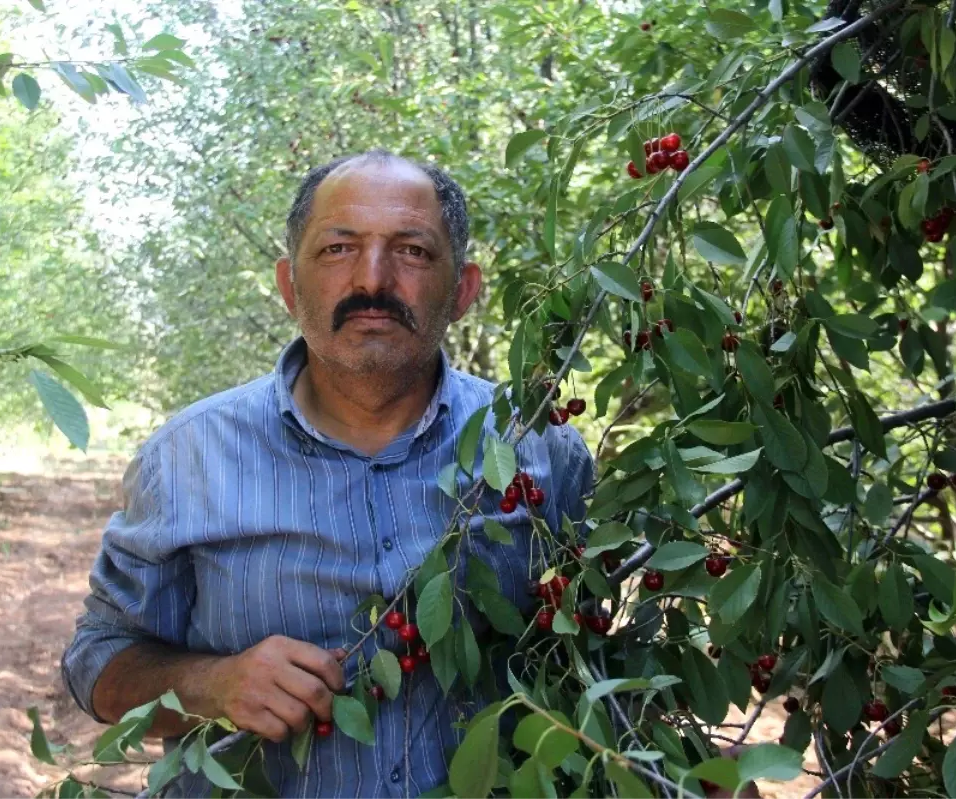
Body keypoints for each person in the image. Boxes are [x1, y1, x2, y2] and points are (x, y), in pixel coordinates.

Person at [61, 150, 595, 797]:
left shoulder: (541, 453)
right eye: (339, 248)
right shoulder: (187, 459)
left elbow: (589, 662)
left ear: (463, 290)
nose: (373, 279)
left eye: (414, 252)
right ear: (290, 287)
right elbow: (97, 660)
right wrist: (212, 685)